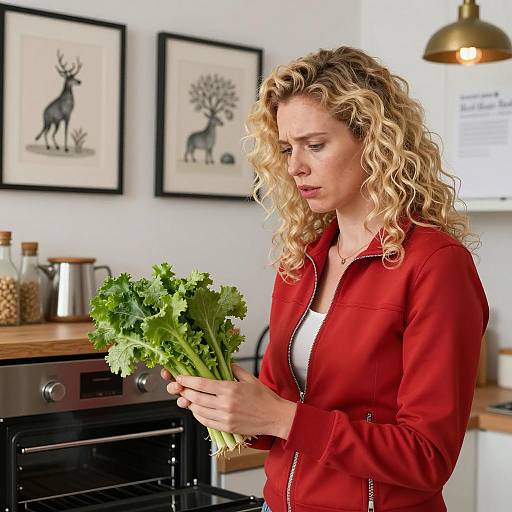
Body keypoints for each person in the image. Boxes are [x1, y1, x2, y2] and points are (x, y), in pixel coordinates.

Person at [161, 46, 488, 512]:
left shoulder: (436, 265)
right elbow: (279, 423)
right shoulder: (300, 262)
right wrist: (226, 399)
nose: (295, 166)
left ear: (374, 141)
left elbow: (427, 457)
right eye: (286, 149)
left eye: (315, 145)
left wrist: (282, 417)